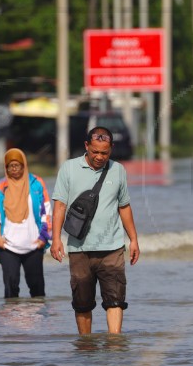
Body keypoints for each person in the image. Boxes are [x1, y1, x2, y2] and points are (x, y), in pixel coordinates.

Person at [50, 126, 140, 334]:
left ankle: (115, 344)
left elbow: (124, 206)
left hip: (112, 247)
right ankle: (86, 345)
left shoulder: (118, 170)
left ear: (111, 149)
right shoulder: (69, 168)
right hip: (79, 248)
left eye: (105, 153)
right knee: (82, 304)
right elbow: (60, 206)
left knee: (115, 301)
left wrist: (133, 239)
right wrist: (56, 239)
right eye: (95, 152)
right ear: (86, 146)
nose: (99, 157)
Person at [0, 148, 52, 298]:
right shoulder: (0, 187)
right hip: (8, 246)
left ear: (24, 165)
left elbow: (47, 212)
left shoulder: (36, 184)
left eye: (18, 165)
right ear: (6, 167)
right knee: (11, 289)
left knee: (37, 290)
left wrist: (43, 238)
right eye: (11, 166)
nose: (15, 169)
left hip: (34, 245)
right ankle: (12, 319)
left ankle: (36, 320)